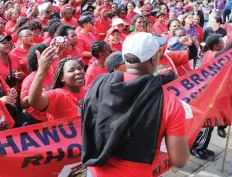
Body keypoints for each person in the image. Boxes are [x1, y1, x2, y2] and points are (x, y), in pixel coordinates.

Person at [82, 32, 189, 177]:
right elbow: (180, 160)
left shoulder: (99, 82)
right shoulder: (169, 102)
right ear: (153, 59)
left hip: (95, 171)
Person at [28, 46, 86, 120]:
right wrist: (41, 70)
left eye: (79, 68)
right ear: (62, 78)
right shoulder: (58, 95)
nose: (78, 72)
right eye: (71, 70)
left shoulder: (89, 91)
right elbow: (35, 102)